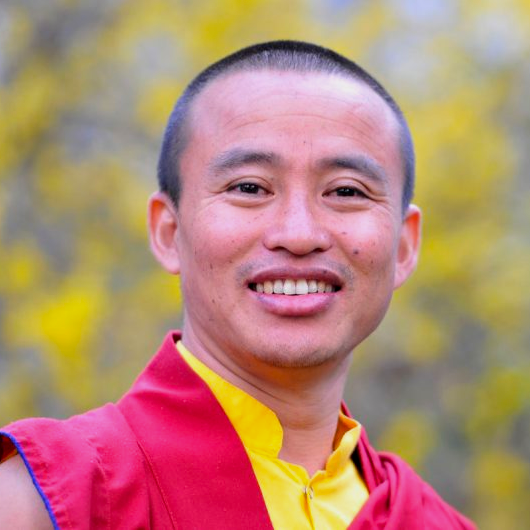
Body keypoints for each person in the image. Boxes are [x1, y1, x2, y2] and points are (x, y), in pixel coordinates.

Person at [0, 40, 475, 529]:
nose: (299, 234)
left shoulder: (433, 523)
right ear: (169, 231)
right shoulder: (48, 499)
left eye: (346, 191)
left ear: (404, 246)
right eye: (249, 187)